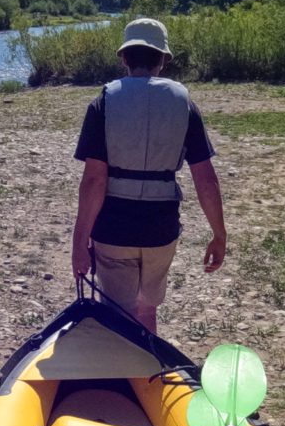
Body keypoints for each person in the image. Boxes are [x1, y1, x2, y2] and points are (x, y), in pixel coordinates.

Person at [71, 17, 227, 333]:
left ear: (125, 58)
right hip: (161, 231)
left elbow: (94, 180)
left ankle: (122, 377)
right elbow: (205, 179)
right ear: (162, 61)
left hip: (113, 232)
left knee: (118, 319)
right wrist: (219, 234)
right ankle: (146, 375)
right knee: (147, 310)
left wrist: (78, 240)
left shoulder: (103, 103)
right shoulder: (185, 104)